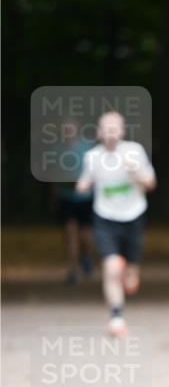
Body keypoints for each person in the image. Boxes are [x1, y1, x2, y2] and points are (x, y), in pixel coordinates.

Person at [76, 111, 156, 336]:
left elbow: (151, 183)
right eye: (106, 127)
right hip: (105, 217)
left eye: (114, 127)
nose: (110, 131)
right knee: (111, 267)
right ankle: (117, 317)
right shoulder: (92, 157)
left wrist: (137, 174)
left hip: (133, 215)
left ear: (122, 131)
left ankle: (132, 269)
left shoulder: (134, 151)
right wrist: (82, 185)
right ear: (99, 132)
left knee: (129, 267)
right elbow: (86, 178)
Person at [54, 120, 95, 284]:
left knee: (85, 235)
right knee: (70, 232)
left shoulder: (87, 148)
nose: (68, 131)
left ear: (77, 129)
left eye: (70, 128)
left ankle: (86, 256)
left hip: (85, 198)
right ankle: (73, 269)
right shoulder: (57, 150)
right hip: (66, 197)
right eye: (65, 129)